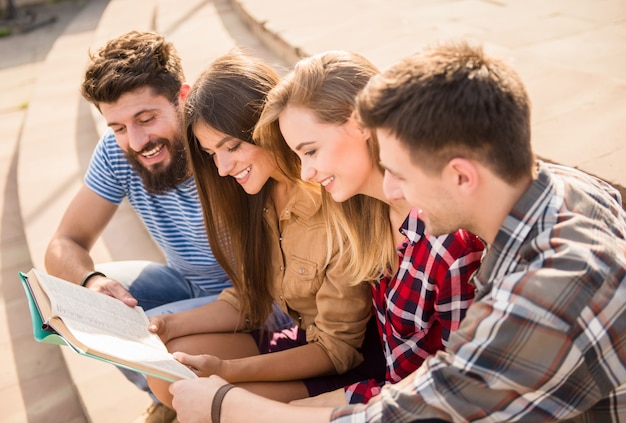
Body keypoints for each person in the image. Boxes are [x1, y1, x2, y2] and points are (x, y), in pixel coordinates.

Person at [168, 41, 626, 422]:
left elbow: (418, 411)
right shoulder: (563, 190)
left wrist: (227, 403)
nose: (390, 190)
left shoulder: (545, 288)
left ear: (461, 175)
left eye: (401, 175)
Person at [145, 50, 386, 408]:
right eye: (213, 154)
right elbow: (252, 295)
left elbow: (337, 350)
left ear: (268, 128)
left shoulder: (334, 203)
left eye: (232, 146)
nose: (223, 168)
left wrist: (228, 370)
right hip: (301, 340)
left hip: (342, 363)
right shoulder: (257, 195)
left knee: (210, 399)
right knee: (168, 367)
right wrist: (169, 326)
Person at [255, 50, 484, 405]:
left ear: (360, 123)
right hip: (389, 397)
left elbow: (462, 394)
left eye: (311, 151)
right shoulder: (367, 219)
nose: (305, 173)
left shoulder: (446, 238)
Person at [44, 31, 231, 423]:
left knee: (147, 338)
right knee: (82, 303)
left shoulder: (222, 141)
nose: (137, 140)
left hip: (257, 299)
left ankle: (184, 396)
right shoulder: (117, 150)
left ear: (183, 96)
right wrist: (92, 280)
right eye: (118, 126)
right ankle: (166, 399)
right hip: (188, 282)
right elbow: (64, 243)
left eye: (146, 119)